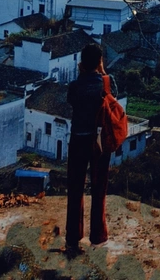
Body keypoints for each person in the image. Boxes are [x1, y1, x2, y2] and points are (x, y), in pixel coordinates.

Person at [65, 42, 117, 252]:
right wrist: (102, 73)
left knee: (75, 188)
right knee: (99, 188)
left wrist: (82, 75)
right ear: (100, 62)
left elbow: (72, 102)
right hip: (100, 142)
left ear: (81, 64)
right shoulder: (106, 83)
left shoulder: (75, 86)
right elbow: (112, 100)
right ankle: (98, 235)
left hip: (78, 139)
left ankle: (73, 236)